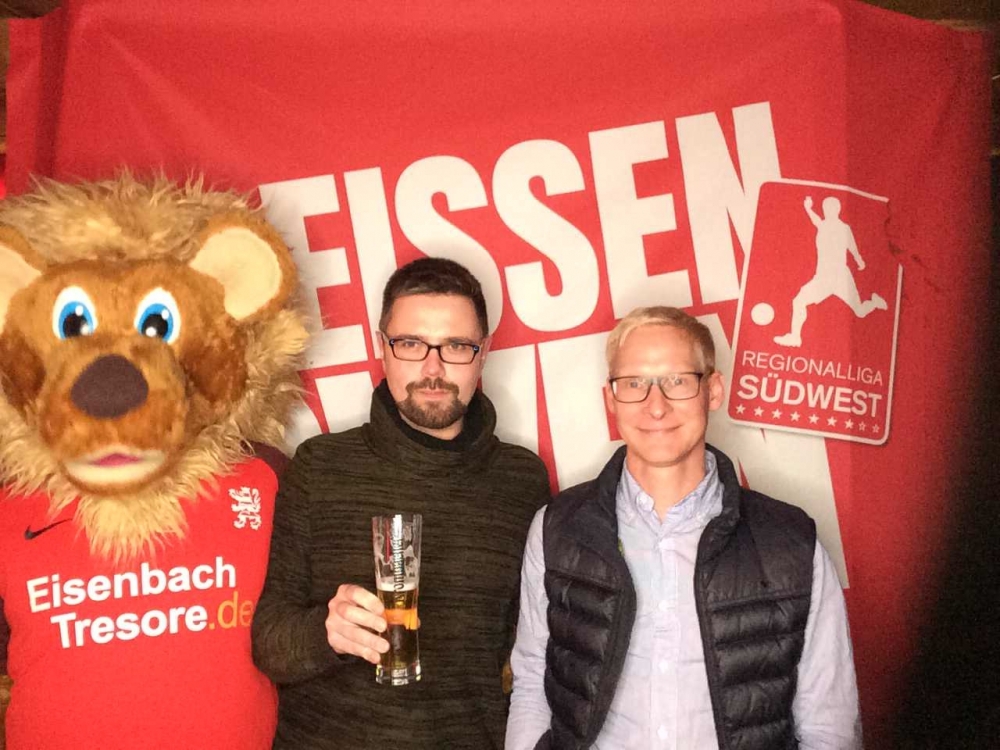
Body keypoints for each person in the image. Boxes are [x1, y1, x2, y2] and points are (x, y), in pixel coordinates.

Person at [506, 306, 862, 750]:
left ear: (713, 390)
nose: (656, 406)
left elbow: (830, 726)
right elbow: (532, 685)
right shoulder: (556, 529)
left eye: (677, 381)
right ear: (610, 399)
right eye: (633, 383)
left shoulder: (791, 542)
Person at [251, 257, 551, 749]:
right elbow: (268, 642)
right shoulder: (320, 466)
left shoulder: (521, 480)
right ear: (381, 347)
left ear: (484, 352)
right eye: (411, 344)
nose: (433, 369)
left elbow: (538, 654)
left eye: (456, 346)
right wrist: (326, 632)